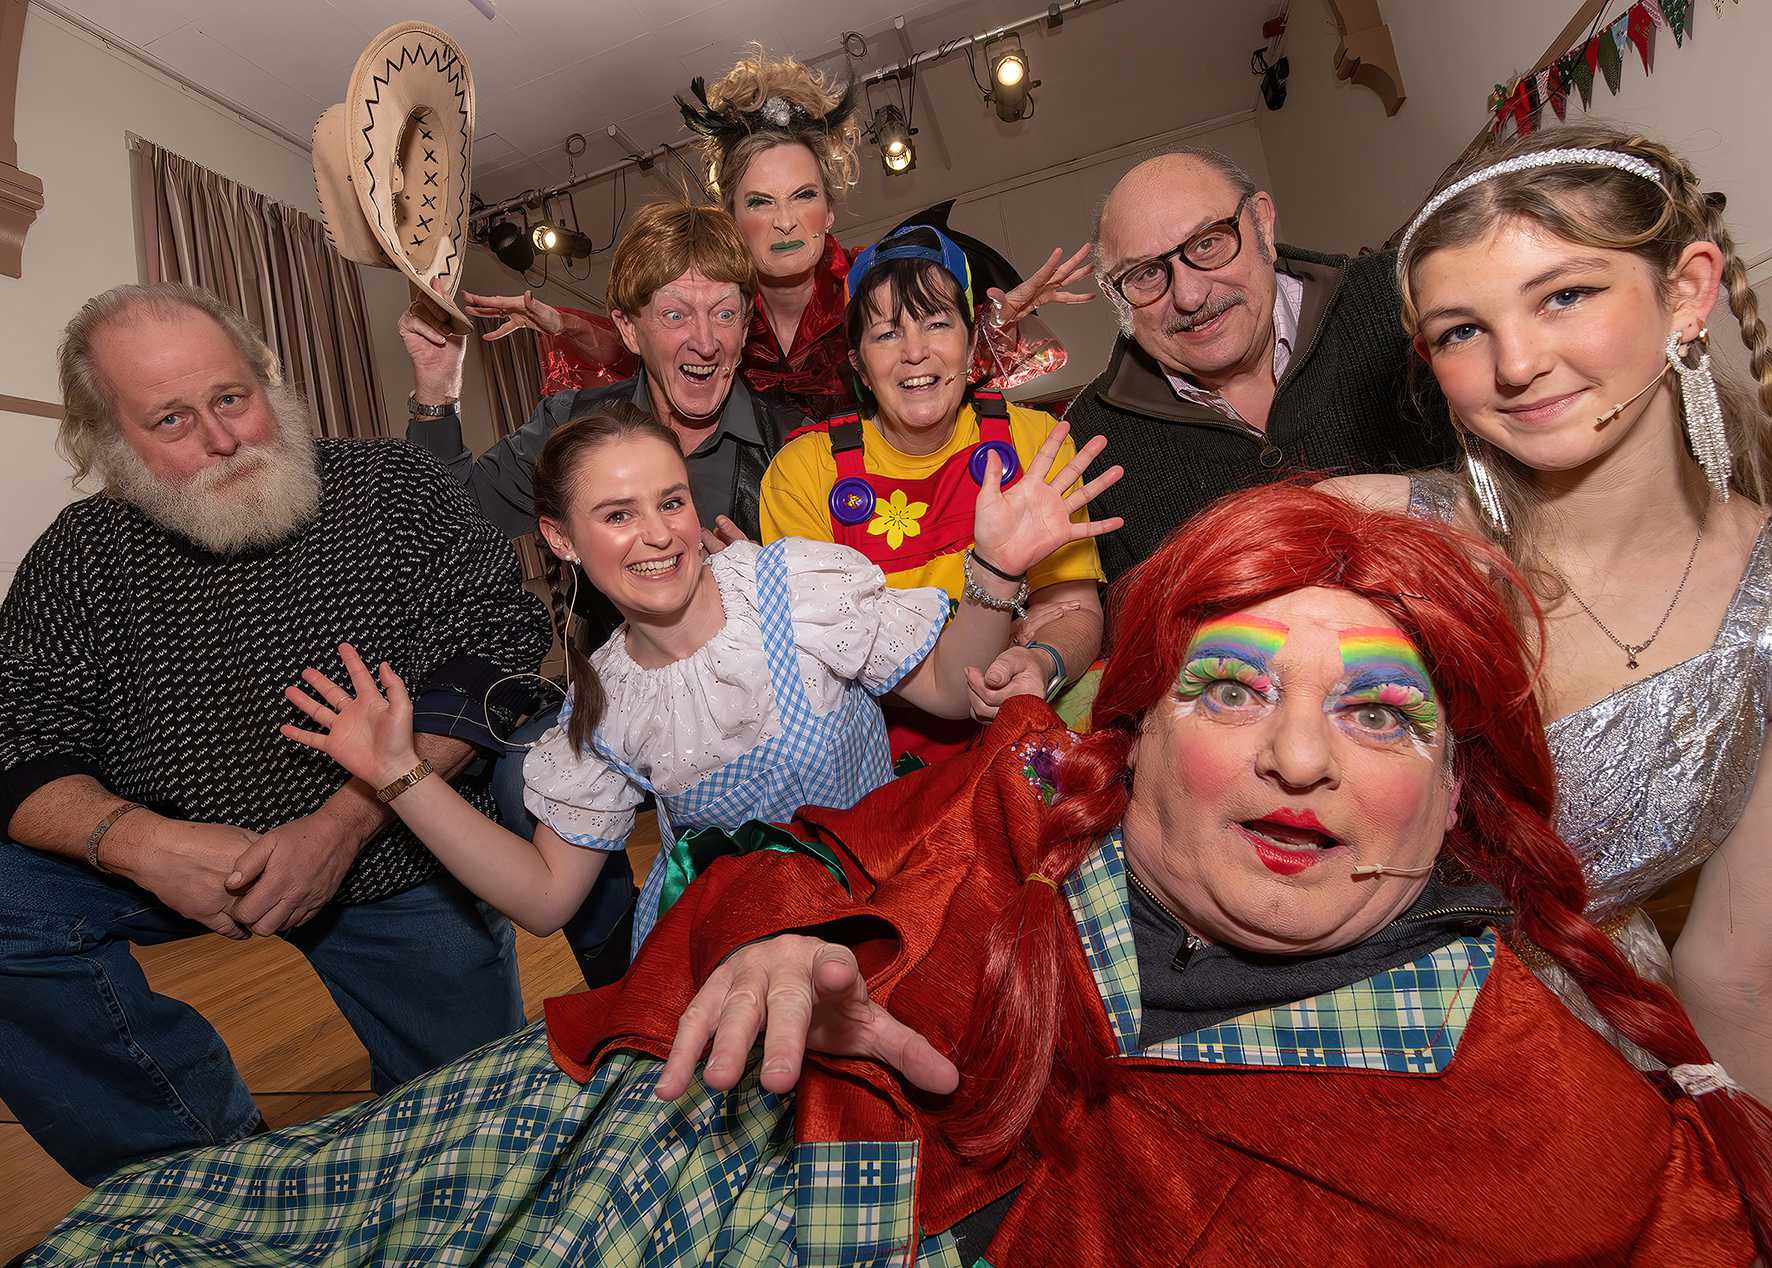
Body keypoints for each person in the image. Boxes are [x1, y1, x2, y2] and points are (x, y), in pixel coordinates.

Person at [27, 485, 1772, 1265]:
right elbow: (578, 904)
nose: (1300, 758)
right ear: (1144, 735)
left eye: (1375, 712)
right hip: (669, 1063)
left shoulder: (1539, 1126)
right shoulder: (609, 716)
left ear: (1462, 778)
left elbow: (950, 679)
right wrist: (798, 945)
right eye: (1233, 691)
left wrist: (997, 593)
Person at [0, 284, 551, 1186]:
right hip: (176, 858)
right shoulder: (81, 556)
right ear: (107, 444)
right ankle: (198, 1174)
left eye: (231, 398)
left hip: (392, 850)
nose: (223, 440)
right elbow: (16, 731)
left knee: (475, 1145)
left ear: (270, 379)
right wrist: (139, 844)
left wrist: (342, 825)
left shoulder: (391, 488)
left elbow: (497, 648)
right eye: (171, 421)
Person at [280, 399, 1118, 961]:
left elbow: (947, 688)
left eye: (671, 502)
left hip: (902, 905)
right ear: (561, 538)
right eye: (617, 515)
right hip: (744, 953)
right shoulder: (603, 709)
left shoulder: (793, 588)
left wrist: (995, 572)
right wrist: (401, 775)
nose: (657, 536)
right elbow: (542, 899)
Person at [1322, 123, 1772, 1101]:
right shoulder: (1359, 538)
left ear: (1684, 291)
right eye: (1459, 330)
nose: (1515, 362)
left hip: (1588, 1075)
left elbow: (1732, 971)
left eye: (1563, 294)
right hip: (1333, 1038)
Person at [463, 45, 1090, 415]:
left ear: (830, 210)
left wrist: (1000, 320)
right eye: (760, 202)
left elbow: (936, 367)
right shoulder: (713, 303)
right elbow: (640, 348)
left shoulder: (879, 282)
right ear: (731, 219)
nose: (786, 220)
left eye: (804, 197)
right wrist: (564, 323)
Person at [760, 224, 1109, 765]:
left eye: (936, 323)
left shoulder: (1036, 442)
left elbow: (1074, 610)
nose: (915, 353)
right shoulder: (803, 473)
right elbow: (826, 664)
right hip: (879, 772)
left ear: (971, 344)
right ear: (857, 361)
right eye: (886, 334)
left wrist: (1041, 659)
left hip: (1028, 743)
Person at [1067, 146, 1459, 582]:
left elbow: (1526, 482)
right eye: (1145, 274)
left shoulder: (1403, 303)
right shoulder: (1089, 438)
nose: (1189, 297)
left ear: (1263, 224)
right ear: (1114, 295)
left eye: (1208, 243)